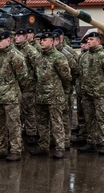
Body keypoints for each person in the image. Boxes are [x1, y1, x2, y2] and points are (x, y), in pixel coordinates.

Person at [0, 29, 30, 162]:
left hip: (11, 97)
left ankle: (16, 150)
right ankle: (1, 148)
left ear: (9, 40)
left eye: (1, 41)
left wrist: (14, 90)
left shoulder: (16, 56)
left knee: (14, 125)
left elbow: (23, 77)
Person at [30, 30, 72, 158]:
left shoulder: (59, 57)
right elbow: (35, 76)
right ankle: (43, 145)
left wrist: (63, 92)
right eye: (41, 40)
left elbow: (67, 77)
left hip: (54, 96)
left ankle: (60, 147)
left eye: (45, 40)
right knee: (41, 122)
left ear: (52, 42)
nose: (42, 42)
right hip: (41, 95)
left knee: (56, 122)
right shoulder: (39, 57)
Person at [77, 31, 104, 155]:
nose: (88, 41)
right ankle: (91, 142)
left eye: (91, 39)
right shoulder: (84, 56)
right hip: (87, 92)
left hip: (100, 93)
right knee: (89, 118)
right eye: (88, 39)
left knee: (102, 118)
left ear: (98, 41)